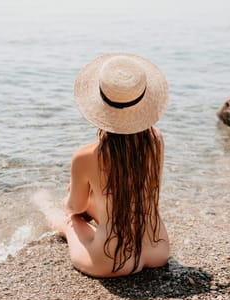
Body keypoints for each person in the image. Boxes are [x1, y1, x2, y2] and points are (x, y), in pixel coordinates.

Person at [38, 53, 170, 278]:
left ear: (100, 104)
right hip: (158, 249)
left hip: (111, 259)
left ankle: (41, 204)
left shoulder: (86, 156)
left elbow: (75, 208)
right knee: (114, 201)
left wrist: (70, 202)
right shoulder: (155, 141)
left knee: (70, 218)